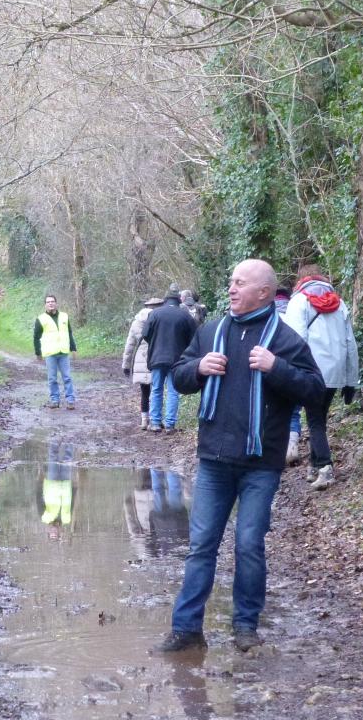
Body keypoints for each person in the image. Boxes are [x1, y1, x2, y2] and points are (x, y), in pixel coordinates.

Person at [155, 259, 324, 654]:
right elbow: (179, 377)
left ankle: (245, 625)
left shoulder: (284, 340)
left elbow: (315, 391)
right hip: (214, 459)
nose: (231, 289)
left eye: (239, 283)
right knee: (201, 545)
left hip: (261, 464)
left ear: (264, 292)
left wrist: (276, 368)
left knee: (249, 544)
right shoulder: (211, 331)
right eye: (230, 281)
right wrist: (198, 367)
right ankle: (186, 629)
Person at [283, 265, 360, 491]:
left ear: (301, 280)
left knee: (315, 419)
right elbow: (350, 343)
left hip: (311, 371)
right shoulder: (340, 303)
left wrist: (290, 374)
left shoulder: (298, 302)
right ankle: (314, 465)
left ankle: (325, 467)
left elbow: (295, 341)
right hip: (335, 371)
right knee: (319, 417)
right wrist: (350, 380)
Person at [141, 284, 198, 433]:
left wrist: (156, 343)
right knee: (173, 390)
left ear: (165, 301)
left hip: (157, 357)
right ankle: (170, 424)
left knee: (157, 389)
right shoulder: (185, 315)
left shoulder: (154, 314)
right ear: (179, 300)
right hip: (177, 359)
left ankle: (154, 422)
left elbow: (146, 334)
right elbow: (193, 338)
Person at [122, 296, 163, 429]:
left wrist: (126, 365)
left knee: (145, 392)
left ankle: (144, 420)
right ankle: (155, 419)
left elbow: (130, 345)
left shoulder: (137, 322)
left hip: (141, 359)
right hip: (156, 358)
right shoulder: (160, 321)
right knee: (157, 390)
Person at [33, 294, 76, 409]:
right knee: (52, 378)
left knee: (67, 377)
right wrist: (38, 352)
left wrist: (73, 348)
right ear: (45, 305)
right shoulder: (41, 319)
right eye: (48, 302)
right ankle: (54, 400)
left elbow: (70, 332)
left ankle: (70, 400)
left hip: (63, 352)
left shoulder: (64, 316)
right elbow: (36, 337)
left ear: (56, 303)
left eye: (52, 301)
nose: (50, 303)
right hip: (50, 353)